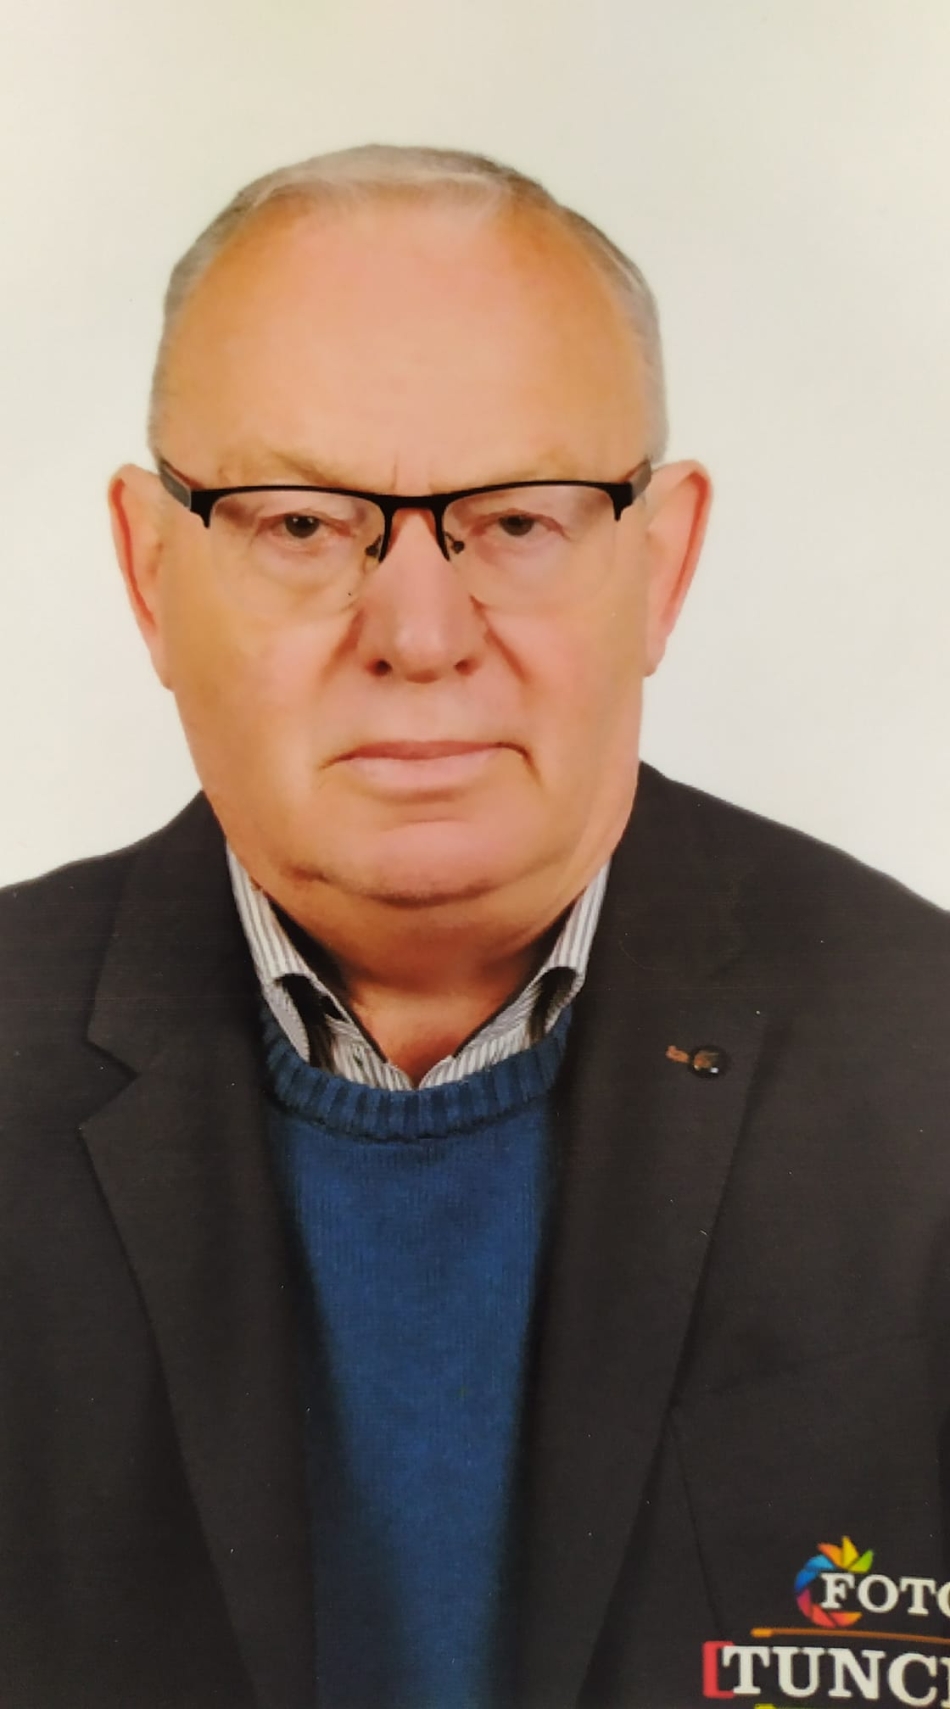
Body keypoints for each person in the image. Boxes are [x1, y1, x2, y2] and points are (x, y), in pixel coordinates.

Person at [0, 143, 946, 1709]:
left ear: (662, 562)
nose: (420, 634)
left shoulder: (925, 1071)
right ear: (150, 571)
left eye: (516, 520)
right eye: (301, 524)